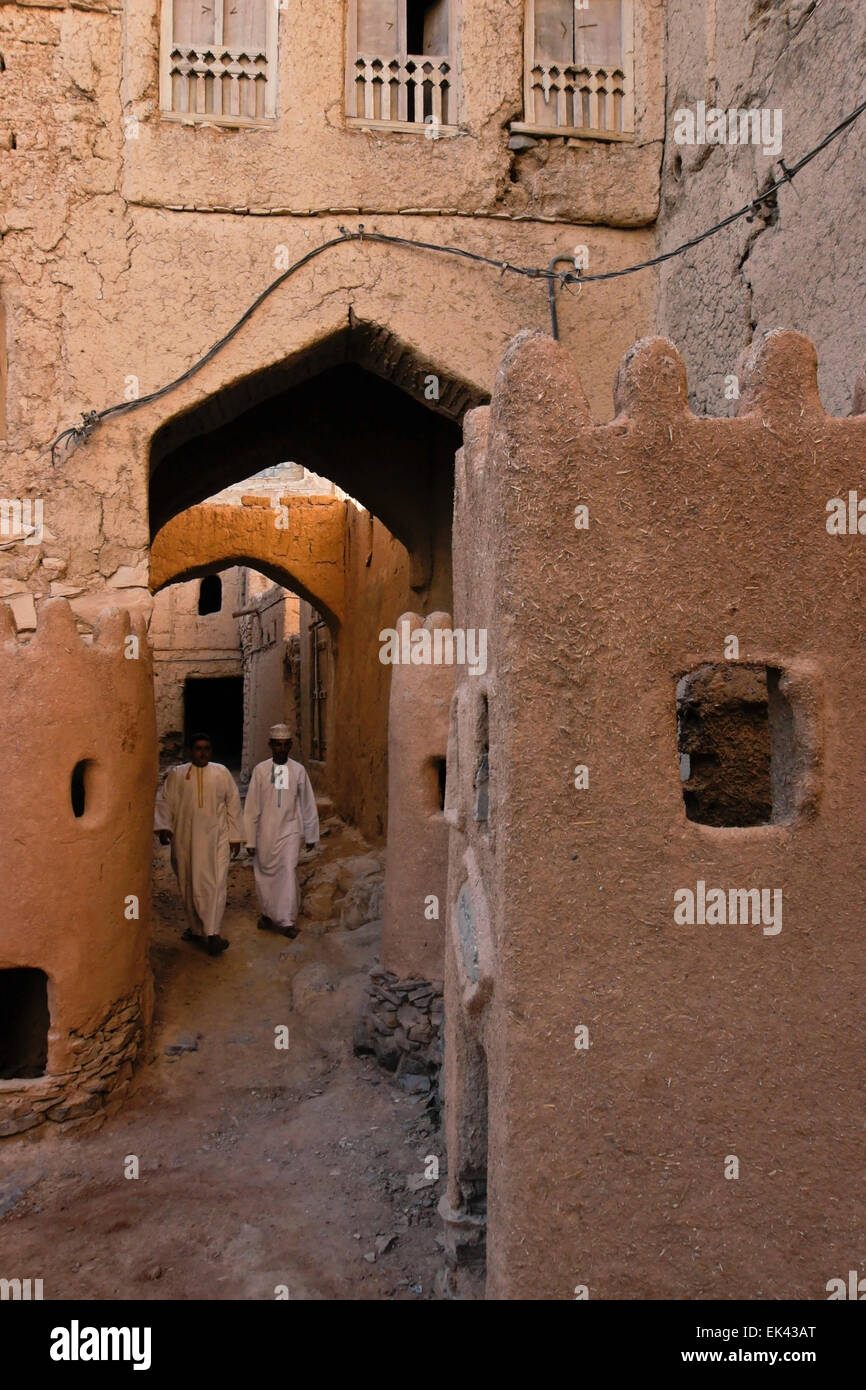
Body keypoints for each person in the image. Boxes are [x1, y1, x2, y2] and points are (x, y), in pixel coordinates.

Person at [154, 732, 244, 957]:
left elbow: (233, 804)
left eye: (206, 748)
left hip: (216, 839)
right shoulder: (177, 775)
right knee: (188, 882)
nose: (203, 753)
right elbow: (164, 801)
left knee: (215, 883)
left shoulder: (221, 773)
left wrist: (235, 836)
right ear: (189, 751)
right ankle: (196, 929)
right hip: (186, 840)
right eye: (198, 748)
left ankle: (212, 933)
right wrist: (164, 827)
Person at [244, 723, 319, 939]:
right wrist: (250, 839)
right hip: (265, 832)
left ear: (290, 746)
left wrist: (311, 834)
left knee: (287, 870)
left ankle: (286, 920)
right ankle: (268, 914)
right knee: (265, 874)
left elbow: (307, 803)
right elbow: (251, 807)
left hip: (290, 830)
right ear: (270, 745)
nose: (281, 749)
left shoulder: (298, 770)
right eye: (277, 745)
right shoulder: (260, 770)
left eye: (285, 745)